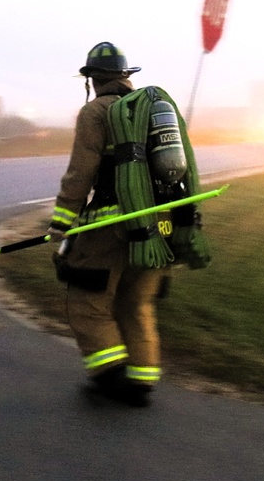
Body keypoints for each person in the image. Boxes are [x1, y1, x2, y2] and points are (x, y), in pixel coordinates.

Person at [47, 41, 171, 407]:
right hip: (159, 227)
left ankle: (111, 377)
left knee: (88, 303)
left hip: (108, 228)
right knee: (136, 302)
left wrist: (62, 220)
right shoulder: (154, 110)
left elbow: (80, 172)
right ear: (125, 76)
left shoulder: (96, 112)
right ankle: (143, 380)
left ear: (92, 79)